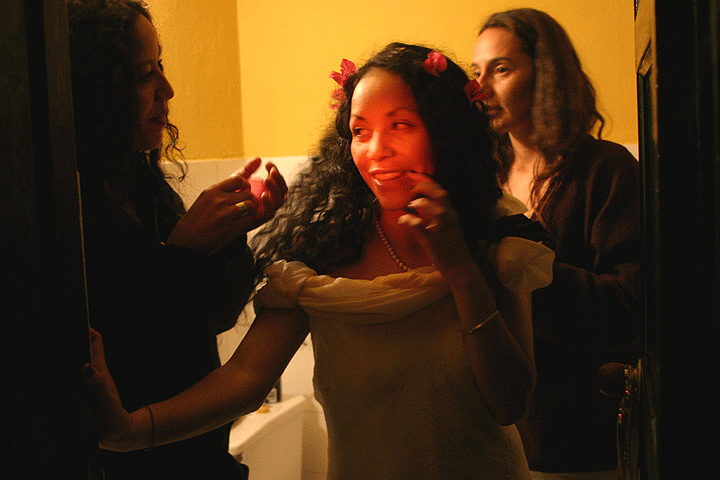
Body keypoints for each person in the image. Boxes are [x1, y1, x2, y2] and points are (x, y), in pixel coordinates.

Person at [85, 43, 555, 480]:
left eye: (401, 125)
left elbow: (510, 403)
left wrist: (460, 271)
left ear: (447, 132)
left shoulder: (498, 240)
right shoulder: (326, 248)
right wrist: (130, 430)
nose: (376, 150)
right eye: (359, 131)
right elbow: (245, 378)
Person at [67, 0, 287, 478]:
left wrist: (229, 235)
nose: (167, 89)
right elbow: (129, 349)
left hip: (199, 459)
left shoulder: (142, 186)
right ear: (98, 89)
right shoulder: (67, 208)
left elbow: (213, 318)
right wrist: (183, 253)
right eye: (144, 74)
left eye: (161, 65)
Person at [470, 8, 642, 479]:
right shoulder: (482, 179)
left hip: (580, 440)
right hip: (495, 435)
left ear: (546, 73)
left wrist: (518, 270)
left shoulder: (606, 170)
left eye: (501, 69)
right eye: (476, 72)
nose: (481, 88)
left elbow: (628, 309)